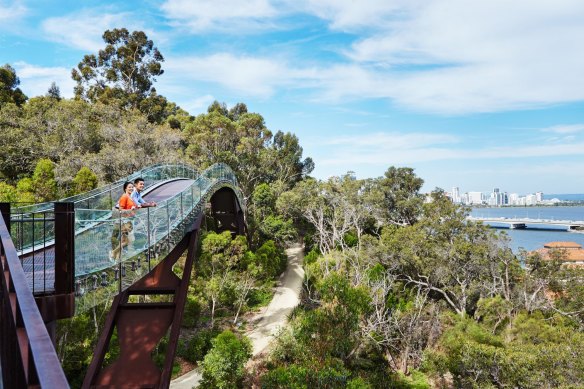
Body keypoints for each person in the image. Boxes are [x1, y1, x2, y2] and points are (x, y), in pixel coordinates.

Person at [110, 182, 136, 261]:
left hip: (127, 221)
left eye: (132, 187)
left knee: (123, 241)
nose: (131, 188)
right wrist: (130, 210)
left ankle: (117, 258)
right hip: (124, 222)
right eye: (129, 187)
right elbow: (120, 209)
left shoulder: (130, 197)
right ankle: (113, 253)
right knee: (127, 241)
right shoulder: (124, 196)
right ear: (125, 189)